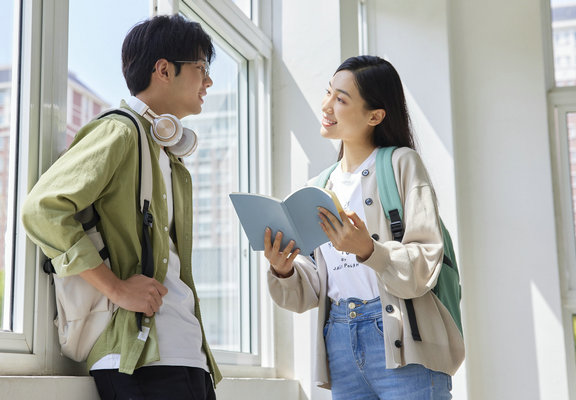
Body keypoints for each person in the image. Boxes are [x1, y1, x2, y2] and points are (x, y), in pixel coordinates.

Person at [21, 15, 221, 400]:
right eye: (202, 68)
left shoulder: (168, 156)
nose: (208, 81)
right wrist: (116, 289)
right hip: (139, 358)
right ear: (164, 69)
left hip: (186, 353)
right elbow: (42, 210)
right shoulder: (120, 131)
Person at [264, 55, 464, 399]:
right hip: (339, 340)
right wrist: (284, 271)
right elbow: (317, 283)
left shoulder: (401, 163)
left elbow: (426, 258)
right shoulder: (320, 186)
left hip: (402, 341)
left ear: (375, 115)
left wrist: (368, 250)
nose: (326, 106)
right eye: (328, 93)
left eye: (341, 99)